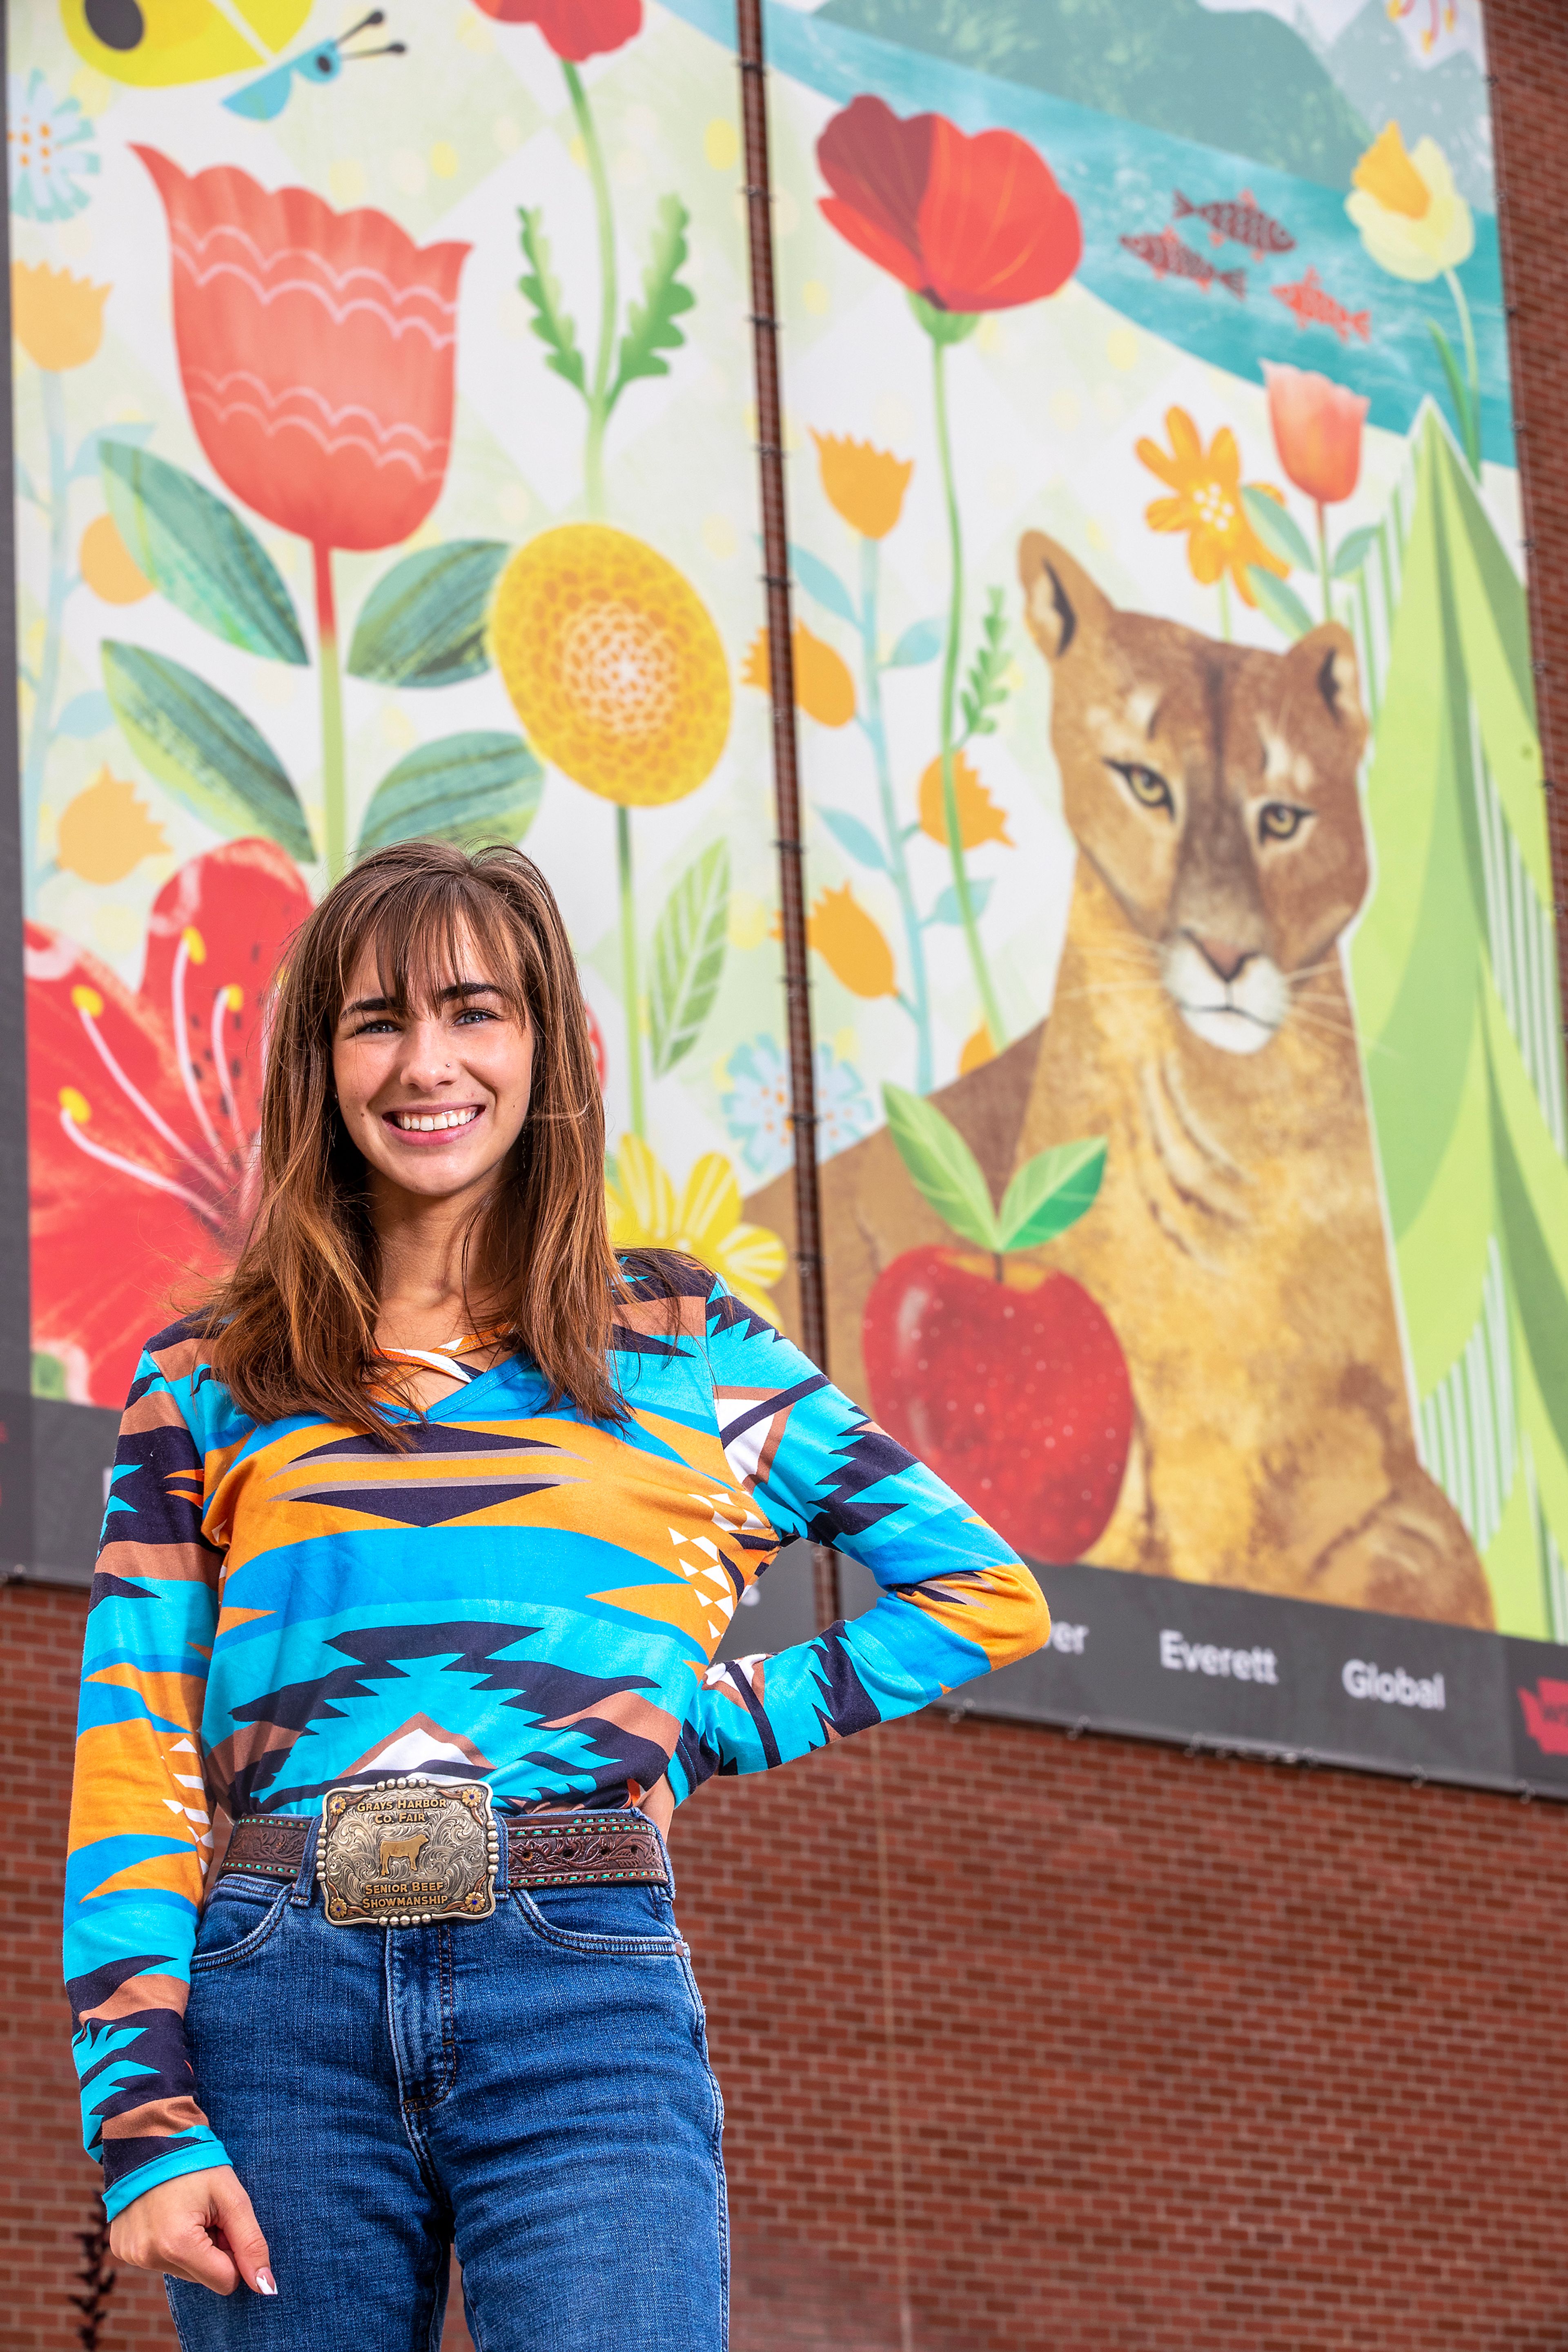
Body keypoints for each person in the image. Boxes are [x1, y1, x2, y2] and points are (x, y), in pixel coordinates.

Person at [65, 841, 1050, 2351]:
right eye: (377, 1021)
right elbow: (136, 1744)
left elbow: (983, 1593)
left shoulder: (685, 1343)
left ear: (548, 1049)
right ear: (321, 1066)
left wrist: (714, 1725)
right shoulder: (206, 1378)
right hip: (274, 2005)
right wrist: (142, 2110)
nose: (427, 1063)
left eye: (476, 1011)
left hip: (579, 1995)